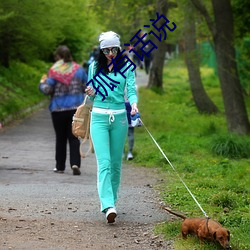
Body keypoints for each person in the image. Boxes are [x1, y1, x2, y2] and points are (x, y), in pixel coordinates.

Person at [85, 31, 138, 223]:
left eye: (113, 49)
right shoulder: (94, 67)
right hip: (98, 117)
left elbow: (131, 90)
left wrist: (133, 104)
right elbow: (91, 96)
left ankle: (112, 201)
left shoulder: (127, 68)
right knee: (104, 163)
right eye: (106, 50)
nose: (110, 53)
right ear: (101, 50)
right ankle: (107, 205)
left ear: (118, 48)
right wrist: (90, 91)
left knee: (116, 164)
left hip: (120, 118)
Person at [39, 45, 87, 175]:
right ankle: (75, 163)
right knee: (74, 137)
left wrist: (42, 83)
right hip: (75, 109)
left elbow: (47, 90)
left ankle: (60, 167)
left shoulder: (54, 71)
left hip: (58, 109)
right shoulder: (79, 70)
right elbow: (86, 87)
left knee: (60, 138)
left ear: (58, 57)